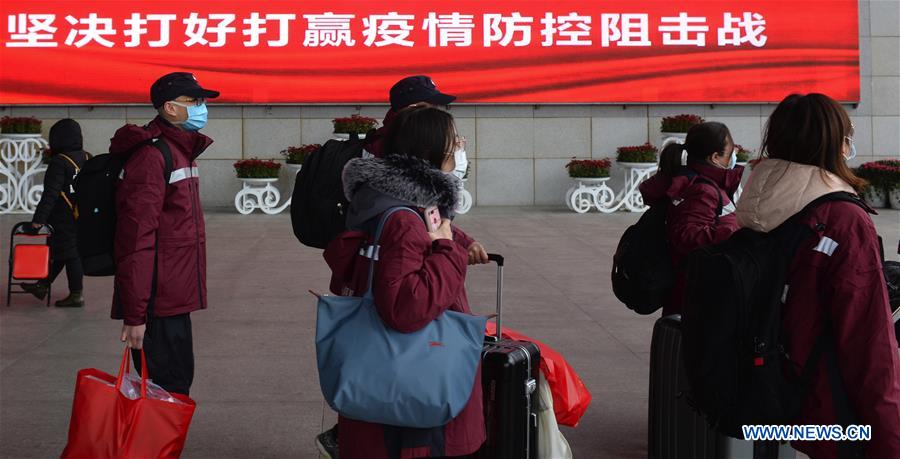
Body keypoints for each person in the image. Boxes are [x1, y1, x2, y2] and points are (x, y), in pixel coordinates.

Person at [316, 76, 487, 458]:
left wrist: (455, 240)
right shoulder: (404, 218)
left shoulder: (396, 197)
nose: (458, 147)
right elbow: (406, 308)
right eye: (453, 140)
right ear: (428, 149)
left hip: (399, 388)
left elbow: (430, 226)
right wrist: (447, 251)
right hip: (414, 391)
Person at [735, 93, 900, 458]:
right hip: (834, 410)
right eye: (845, 135)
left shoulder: (756, 206)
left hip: (779, 393)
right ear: (832, 143)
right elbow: (869, 344)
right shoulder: (843, 220)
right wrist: (891, 440)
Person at [110, 72, 218, 395]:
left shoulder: (180, 149)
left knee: (173, 386)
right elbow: (136, 241)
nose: (202, 108)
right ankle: (153, 448)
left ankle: (160, 447)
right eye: (194, 101)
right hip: (157, 304)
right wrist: (135, 315)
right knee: (164, 391)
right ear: (170, 108)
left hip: (174, 300)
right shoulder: (152, 156)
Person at [639, 121, 744, 315]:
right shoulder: (702, 189)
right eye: (730, 153)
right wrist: (738, 231)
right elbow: (686, 236)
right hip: (698, 291)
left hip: (693, 286)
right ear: (714, 157)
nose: (734, 155)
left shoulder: (696, 181)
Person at [23, 119, 90, 307]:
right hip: (81, 215)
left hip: (62, 218)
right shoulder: (86, 157)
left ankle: (76, 294)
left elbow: (50, 194)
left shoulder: (59, 162)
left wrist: (38, 220)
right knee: (63, 252)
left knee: (70, 254)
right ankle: (42, 286)